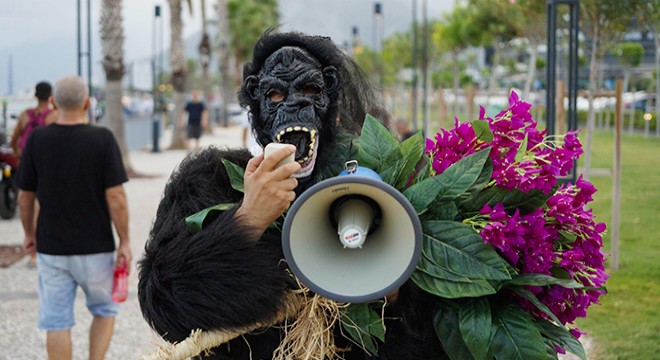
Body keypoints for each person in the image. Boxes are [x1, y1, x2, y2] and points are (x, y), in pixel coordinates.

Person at [138, 31, 443, 359]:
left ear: (330, 99)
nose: (295, 104)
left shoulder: (373, 185)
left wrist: (394, 293)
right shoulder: (210, 179)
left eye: (310, 90)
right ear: (255, 100)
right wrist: (247, 220)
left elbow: (422, 334)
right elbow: (162, 301)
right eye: (276, 95)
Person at [17, 75, 132, 360]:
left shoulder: (37, 140)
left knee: (56, 322)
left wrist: (29, 235)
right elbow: (116, 197)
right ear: (87, 103)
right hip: (96, 247)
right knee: (104, 310)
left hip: (52, 248)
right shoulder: (102, 139)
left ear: (54, 102)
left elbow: (24, 196)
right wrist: (125, 240)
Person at [10, 81, 58, 268]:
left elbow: (15, 139)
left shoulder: (25, 115)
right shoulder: (53, 116)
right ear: (50, 96)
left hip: (26, 164)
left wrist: (19, 156)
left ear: (35, 96)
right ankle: (39, 247)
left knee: (25, 201)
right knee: (40, 204)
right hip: (46, 165)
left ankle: (30, 243)